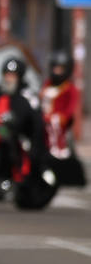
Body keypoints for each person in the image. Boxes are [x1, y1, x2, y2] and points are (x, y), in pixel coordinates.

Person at [0, 56, 49, 186]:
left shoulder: (26, 96)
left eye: (12, 76)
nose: (9, 79)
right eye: (7, 75)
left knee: (9, 143)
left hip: (17, 137)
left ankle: (14, 178)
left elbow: (35, 123)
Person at [42, 49, 86, 187]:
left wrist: (55, 118)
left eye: (60, 69)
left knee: (62, 153)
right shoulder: (47, 84)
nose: (56, 72)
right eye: (55, 68)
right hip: (43, 124)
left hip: (59, 128)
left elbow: (69, 111)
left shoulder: (70, 88)